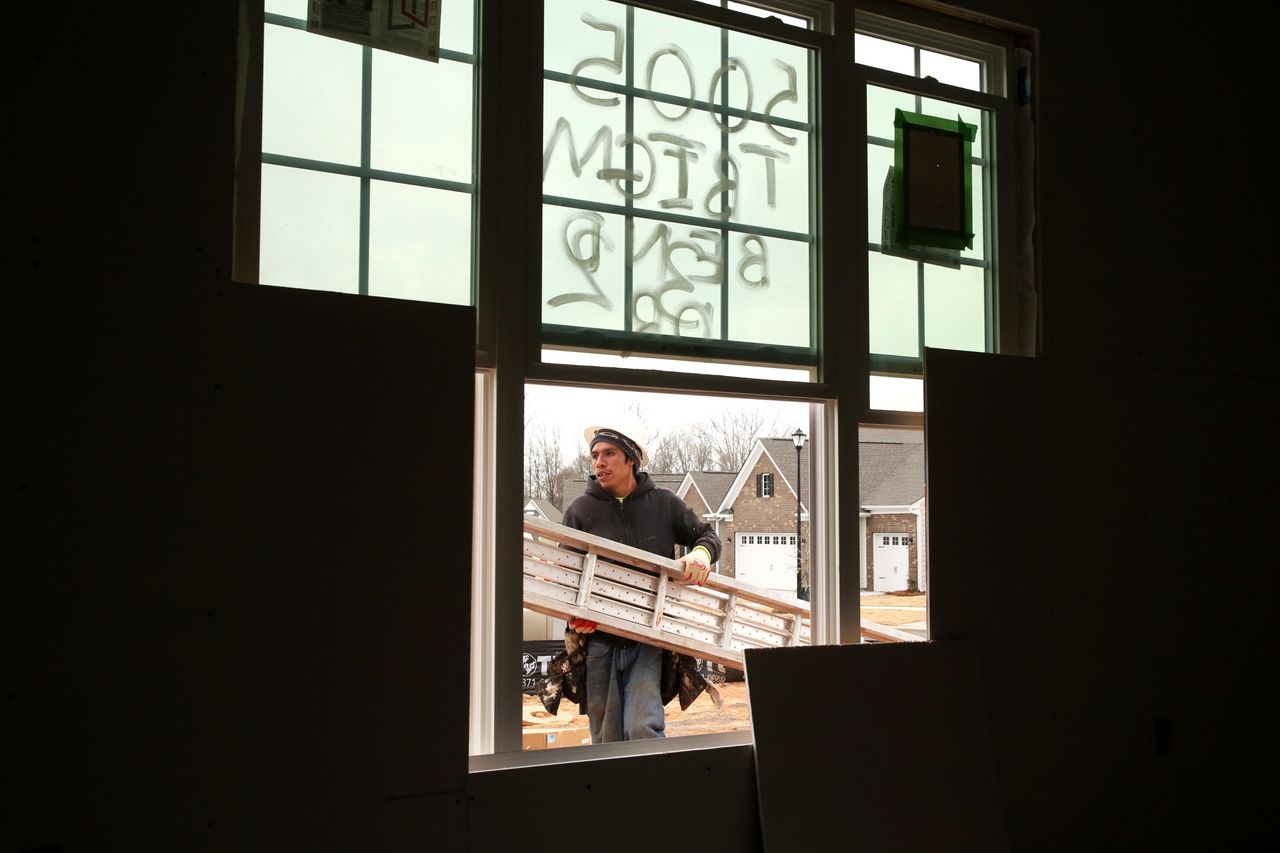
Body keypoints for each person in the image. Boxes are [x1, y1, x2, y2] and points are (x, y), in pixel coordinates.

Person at [558, 417, 722, 743]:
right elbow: (566, 577)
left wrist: (701, 555)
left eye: (609, 453)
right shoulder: (580, 511)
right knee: (606, 738)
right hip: (600, 641)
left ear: (631, 458)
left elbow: (708, 536)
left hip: (649, 639)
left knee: (641, 727)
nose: (599, 462)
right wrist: (575, 616)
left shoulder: (664, 504)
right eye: (595, 455)